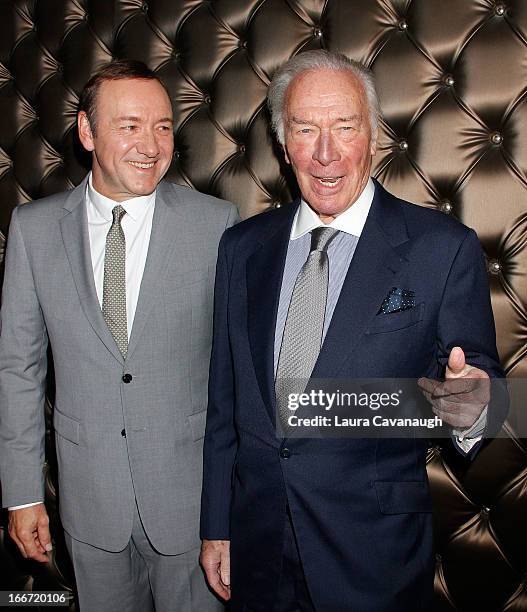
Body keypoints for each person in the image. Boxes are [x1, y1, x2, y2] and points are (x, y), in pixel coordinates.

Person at [199, 50, 504, 611]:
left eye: (344, 127)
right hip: (257, 549)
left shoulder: (442, 248)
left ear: (374, 135)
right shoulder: (241, 248)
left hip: (372, 558)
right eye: (304, 129)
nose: (325, 154)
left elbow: (488, 397)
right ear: (282, 143)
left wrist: (472, 405)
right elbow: (226, 404)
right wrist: (217, 525)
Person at [0, 59, 238, 612]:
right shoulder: (34, 230)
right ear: (87, 131)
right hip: (89, 503)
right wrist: (22, 492)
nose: (151, 145)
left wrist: (230, 505)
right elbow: (18, 369)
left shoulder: (217, 225)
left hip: (192, 506)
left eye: (161, 126)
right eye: (129, 125)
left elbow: (235, 372)